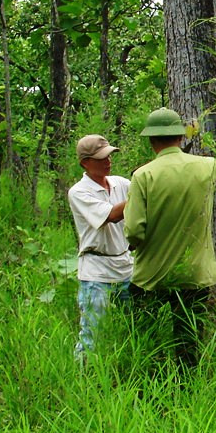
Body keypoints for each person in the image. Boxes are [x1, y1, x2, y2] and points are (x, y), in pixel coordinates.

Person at [123, 107, 216, 367]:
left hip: (152, 275)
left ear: (151, 141)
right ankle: (188, 387)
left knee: (145, 337)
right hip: (195, 274)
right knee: (189, 340)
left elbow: (135, 230)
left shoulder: (143, 175)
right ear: (181, 138)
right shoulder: (208, 167)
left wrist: (135, 245)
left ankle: (149, 383)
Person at [67, 134, 133, 359]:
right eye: (101, 158)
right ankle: (86, 377)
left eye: (109, 156)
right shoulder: (78, 192)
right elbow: (112, 215)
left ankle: (128, 367)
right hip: (96, 271)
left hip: (125, 267)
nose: (108, 161)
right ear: (85, 163)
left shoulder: (121, 184)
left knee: (134, 325)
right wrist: (143, 192)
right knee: (93, 333)